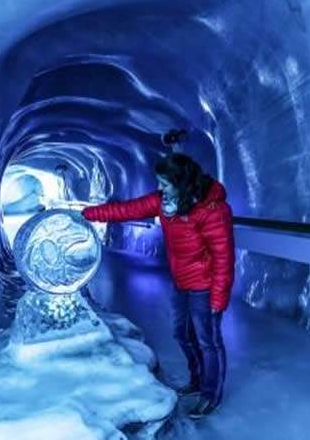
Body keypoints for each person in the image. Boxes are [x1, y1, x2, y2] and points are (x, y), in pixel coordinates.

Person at [81, 153, 235, 419]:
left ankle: (210, 395)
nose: (160, 188)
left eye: (165, 183)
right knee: (182, 334)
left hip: (205, 286)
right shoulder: (164, 203)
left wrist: (218, 300)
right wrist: (88, 214)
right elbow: (126, 210)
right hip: (182, 282)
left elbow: (223, 258)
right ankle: (197, 379)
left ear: (181, 182)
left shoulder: (211, 211)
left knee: (208, 341)